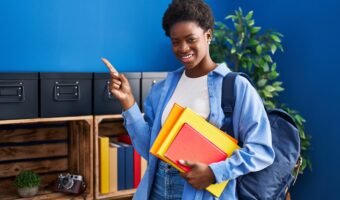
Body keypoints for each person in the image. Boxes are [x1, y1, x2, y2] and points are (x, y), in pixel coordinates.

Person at [102, 0, 275, 199]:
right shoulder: (161, 89)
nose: (183, 48)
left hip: (202, 191)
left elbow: (261, 149)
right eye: (176, 41)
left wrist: (214, 172)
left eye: (191, 39)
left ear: (208, 35)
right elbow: (148, 149)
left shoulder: (236, 87)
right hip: (156, 189)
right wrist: (128, 103)